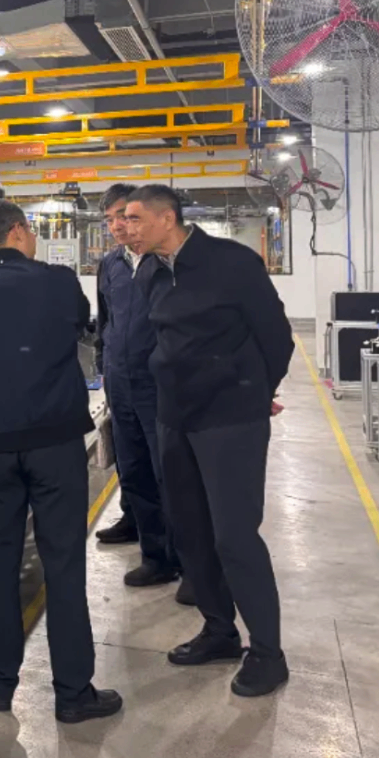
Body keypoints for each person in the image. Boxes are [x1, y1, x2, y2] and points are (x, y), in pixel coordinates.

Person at [0, 200, 122, 723]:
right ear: (17, 231)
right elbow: (80, 328)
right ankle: (73, 693)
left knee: (1, 561)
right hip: (55, 443)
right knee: (64, 565)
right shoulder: (58, 282)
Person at [122, 185, 294, 698]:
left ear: (167, 218)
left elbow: (276, 337)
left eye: (134, 219)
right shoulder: (150, 272)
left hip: (230, 418)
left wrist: (255, 392)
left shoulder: (232, 263)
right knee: (191, 531)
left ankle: (268, 653)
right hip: (174, 418)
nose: (125, 229)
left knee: (234, 537)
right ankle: (219, 631)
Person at [92, 184, 191, 600]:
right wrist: (105, 368)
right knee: (133, 471)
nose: (118, 226)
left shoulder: (170, 262)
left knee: (173, 474)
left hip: (162, 386)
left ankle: (191, 562)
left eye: (124, 216)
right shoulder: (110, 264)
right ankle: (155, 556)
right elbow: (106, 321)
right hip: (121, 383)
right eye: (110, 220)